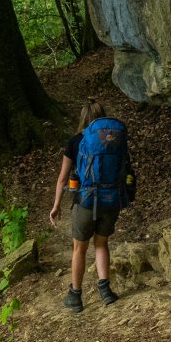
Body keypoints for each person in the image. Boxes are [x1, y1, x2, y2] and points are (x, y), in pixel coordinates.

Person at [49, 98, 122, 312]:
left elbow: (63, 178)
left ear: (83, 118)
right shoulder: (114, 139)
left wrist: (56, 205)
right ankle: (106, 291)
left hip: (86, 201)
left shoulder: (75, 141)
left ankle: (76, 296)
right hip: (111, 200)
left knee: (79, 248)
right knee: (102, 243)